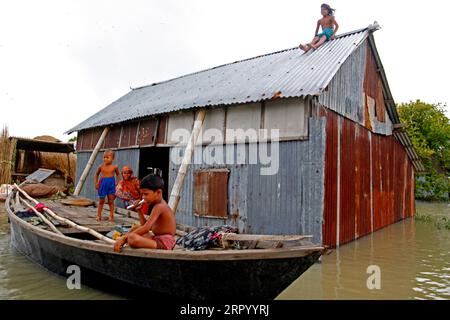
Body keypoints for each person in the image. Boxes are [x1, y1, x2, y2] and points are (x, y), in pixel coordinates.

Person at [113, 174, 176, 252]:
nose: (143, 197)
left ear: (158, 192)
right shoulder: (157, 205)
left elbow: (146, 228)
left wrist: (124, 238)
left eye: (146, 194)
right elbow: (145, 226)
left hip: (165, 242)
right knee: (136, 228)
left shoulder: (160, 206)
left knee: (132, 238)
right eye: (142, 194)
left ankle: (123, 240)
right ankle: (124, 240)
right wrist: (139, 211)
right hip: (157, 238)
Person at [94, 150, 120, 221]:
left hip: (111, 184)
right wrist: (96, 183)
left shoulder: (114, 167)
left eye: (107, 157)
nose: (105, 159)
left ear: (113, 158)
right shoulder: (101, 166)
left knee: (111, 201)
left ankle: (111, 215)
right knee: (101, 201)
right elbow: (96, 174)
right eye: (104, 157)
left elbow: (118, 174)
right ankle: (99, 215)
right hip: (103, 184)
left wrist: (117, 181)